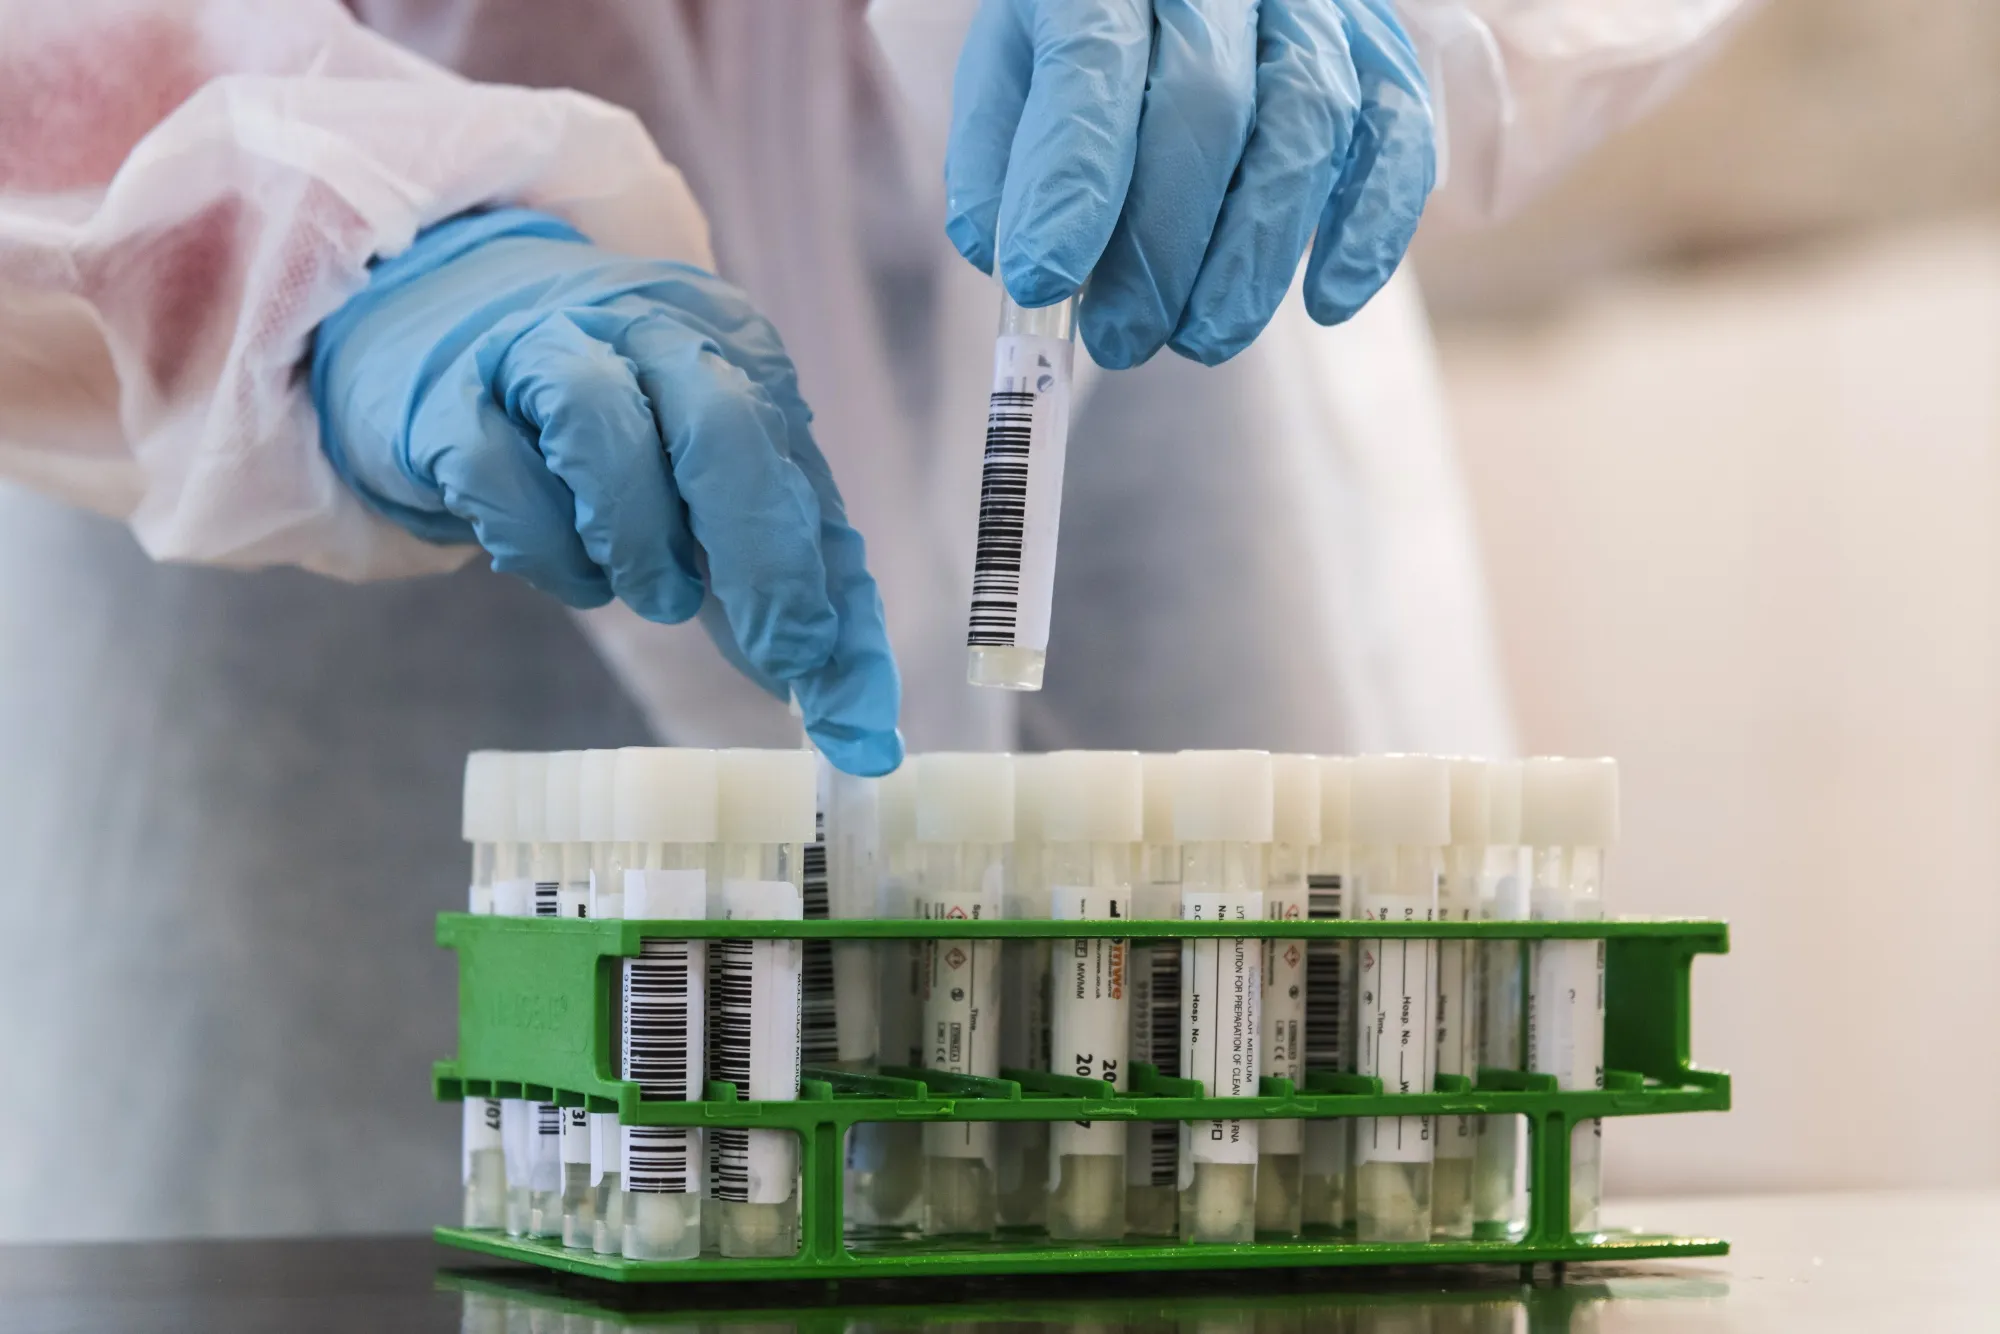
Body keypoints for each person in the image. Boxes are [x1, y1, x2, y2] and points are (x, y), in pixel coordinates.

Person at [0, 0, 1747, 1236]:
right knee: (324, 1239)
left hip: (1153, 281)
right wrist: (287, 243)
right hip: (269, 469)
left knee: (1254, 1193)